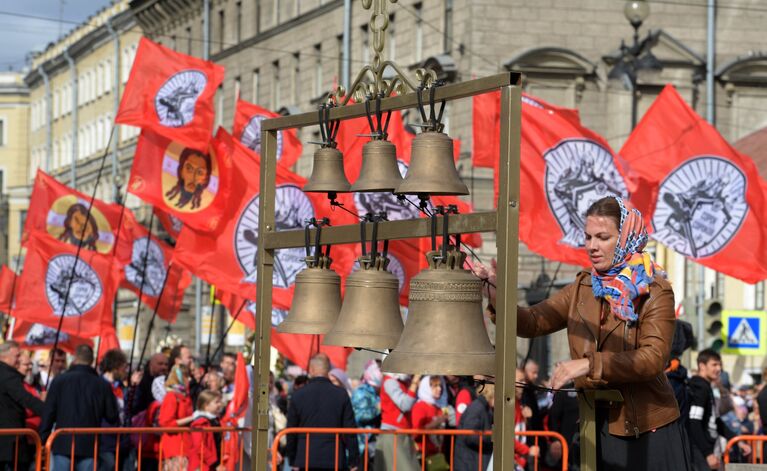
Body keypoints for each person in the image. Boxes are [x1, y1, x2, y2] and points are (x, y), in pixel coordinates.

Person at [515, 196, 691, 470]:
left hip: (646, 430)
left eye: (603, 237)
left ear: (625, 238)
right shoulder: (582, 287)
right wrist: (494, 294)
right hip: (594, 425)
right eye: (587, 237)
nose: (592, 246)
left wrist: (589, 363)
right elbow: (533, 321)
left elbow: (653, 358)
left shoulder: (655, 290)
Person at [40, 345, 118, 471]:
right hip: (89, 445)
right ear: (92, 361)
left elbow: (48, 414)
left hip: (62, 444)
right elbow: (112, 416)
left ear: (74, 359)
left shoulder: (59, 381)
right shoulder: (102, 385)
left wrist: (42, 440)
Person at [286, 354, 359, 471]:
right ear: (328, 371)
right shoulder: (341, 394)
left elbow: (291, 430)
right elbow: (350, 430)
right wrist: (353, 460)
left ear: (311, 370)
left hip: (304, 458)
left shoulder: (298, 395)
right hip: (334, 458)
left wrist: (292, 458)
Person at [687, 349, 749, 470]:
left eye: (719, 364)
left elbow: (716, 421)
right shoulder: (699, 387)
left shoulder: (707, 387)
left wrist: (737, 440)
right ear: (702, 366)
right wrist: (707, 453)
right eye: (714, 364)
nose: (718, 368)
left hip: (709, 450)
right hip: (699, 454)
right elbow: (694, 422)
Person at [0, 341, 45, 470]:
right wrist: (50, 411)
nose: (19, 360)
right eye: (17, 356)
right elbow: (26, 399)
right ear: (4, 357)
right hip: (9, 445)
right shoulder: (8, 376)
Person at [98, 349, 136, 471]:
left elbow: (128, 408)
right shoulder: (99, 384)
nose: (126, 371)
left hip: (122, 441)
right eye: (124, 368)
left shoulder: (120, 386)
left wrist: (133, 388)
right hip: (105, 441)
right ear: (116, 367)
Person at [375, 373, 422, 471]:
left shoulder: (403, 381)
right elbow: (405, 405)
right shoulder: (390, 382)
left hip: (402, 433)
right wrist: (414, 383)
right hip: (392, 434)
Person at [158, 364, 196, 471]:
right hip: (175, 446)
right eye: (186, 376)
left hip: (185, 444)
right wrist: (192, 418)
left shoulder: (184, 395)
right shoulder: (171, 396)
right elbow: (166, 423)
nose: (189, 379)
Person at [455, 382, 494, 471]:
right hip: (468, 461)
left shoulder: (484, 408)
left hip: (472, 459)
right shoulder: (478, 408)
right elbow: (470, 435)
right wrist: (491, 438)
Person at [411, 376, 449, 464]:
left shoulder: (439, 408)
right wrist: (436, 423)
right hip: (423, 457)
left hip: (438, 456)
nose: (439, 389)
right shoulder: (419, 407)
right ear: (426, 388)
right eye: (435, 386)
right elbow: (415, 433)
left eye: (440, 386)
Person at [350, 360, 382, 461]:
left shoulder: (378, 392)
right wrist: (378, 409)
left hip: (375, 442)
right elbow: (360, 416)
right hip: (363, 443)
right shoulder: (361, 392)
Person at [189, 389, 225, 471]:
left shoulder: (216, 420)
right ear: (206, 405)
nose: (220, 404)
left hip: (214, 464)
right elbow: (200, 446)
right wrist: (214, 463)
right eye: (216, 402)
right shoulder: (199, 423)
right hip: (203, 465)